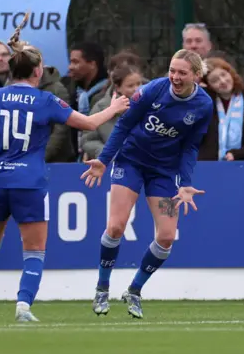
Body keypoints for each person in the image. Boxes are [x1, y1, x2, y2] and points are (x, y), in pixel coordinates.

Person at [0, 18, 130, 322]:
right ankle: (23, 306)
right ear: (38, 72)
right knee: (35, 251)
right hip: (28, 181)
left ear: (11, 71)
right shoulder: (46, 100)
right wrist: (115, 108)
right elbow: (90, 123)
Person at [81, 49, 213, 319]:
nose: (175, 77)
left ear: (196, 75)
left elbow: (190, 146)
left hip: (164, 172)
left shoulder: (203, 105)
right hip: (130, 162)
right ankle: (102, 287)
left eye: (182, 73)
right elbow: (123, 126)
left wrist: (185, 183)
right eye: (172, 70)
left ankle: (134, 290)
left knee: (166, 237)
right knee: (116, 226)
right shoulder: (153, 90)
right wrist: (104, 160)